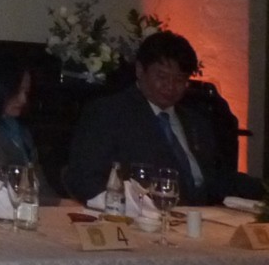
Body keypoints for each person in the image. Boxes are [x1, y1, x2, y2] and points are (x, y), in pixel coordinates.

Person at [65, 29, 250, 206]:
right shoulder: (109, 113)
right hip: (140, 216)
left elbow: (217, 179)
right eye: (162, 77)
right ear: (140, 70)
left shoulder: (196, 121)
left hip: (201, 216)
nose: (170, 86)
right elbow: (84, 179)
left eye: (179, 80)